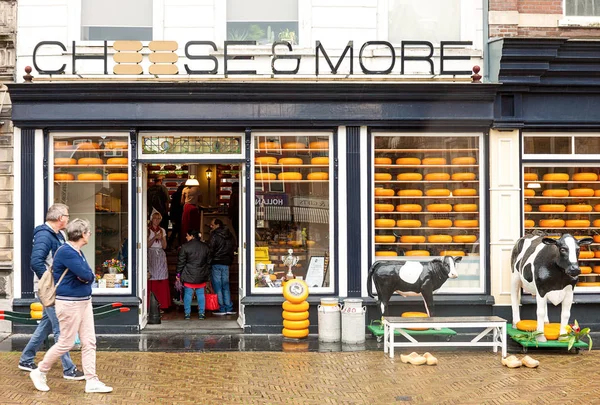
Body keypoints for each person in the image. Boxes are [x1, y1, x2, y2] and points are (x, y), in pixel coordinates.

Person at [30, 218, 113, 393]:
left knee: (89, 341)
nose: (89, 234)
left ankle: (91, 380)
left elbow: (88, 274)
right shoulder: (66, 252)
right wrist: (85, 276)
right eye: (88, 232)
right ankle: (40, 371)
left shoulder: (77, 251)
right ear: (82, 234)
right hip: (69, 304)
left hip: (84, 302)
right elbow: (87, 275)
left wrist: (85, 276)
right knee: (66, 342)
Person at [18, 203, 84, 381]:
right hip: (52, 290)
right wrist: (49, 283)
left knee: (46, 324)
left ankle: (26, 359)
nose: (69, 218)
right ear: (60, 218)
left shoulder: (58, 234)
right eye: (67, 215)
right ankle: (68, 369)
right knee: (60, 327)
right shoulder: (44, 235)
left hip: (55, 288)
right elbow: (36, 262)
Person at [176, 229, 211, 320]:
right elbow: (209, 262)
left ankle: (187, 314)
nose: (186, 237)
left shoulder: (185, 247)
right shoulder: (205, 247)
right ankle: (201, 313)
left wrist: (178, 274)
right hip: (201, 273)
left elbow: (181, 262)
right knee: (200, 294)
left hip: (188, 273)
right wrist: (207, 274)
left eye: (187, 235)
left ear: (192, 236)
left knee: (188, 294)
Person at [208, 218, 236, 316]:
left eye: (212, 225)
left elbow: (211, 249)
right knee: (225, 286)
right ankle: (229, 307)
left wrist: (208, 262)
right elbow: (233, 247)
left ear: (217, 225)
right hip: (226, 263)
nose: (211, 227)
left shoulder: (214, 235)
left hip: (216, 263)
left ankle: (221, 308)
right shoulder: (229, 235)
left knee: (218, 286)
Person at [148, 211, 170, 310]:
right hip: (151, 253)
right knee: (151, 276)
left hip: (160, 254)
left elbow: (164, 246)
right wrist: (154, 238)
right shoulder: (147, 230)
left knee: (161, 277)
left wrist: (162, 239)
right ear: (151, 219)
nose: (156, 221)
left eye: (158, 219)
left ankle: (162, 303)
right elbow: (146, 246)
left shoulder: (162, 230)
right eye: (155, 218)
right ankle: (150, 303)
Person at [167, 182, 186, 249]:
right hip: (181, 215)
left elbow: (172, 207)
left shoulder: (175, 195)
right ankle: (178, 245)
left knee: (175, 230)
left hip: (175, 215)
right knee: (179, 231)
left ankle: (170, 244)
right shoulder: (183, 196)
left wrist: (172, 217)